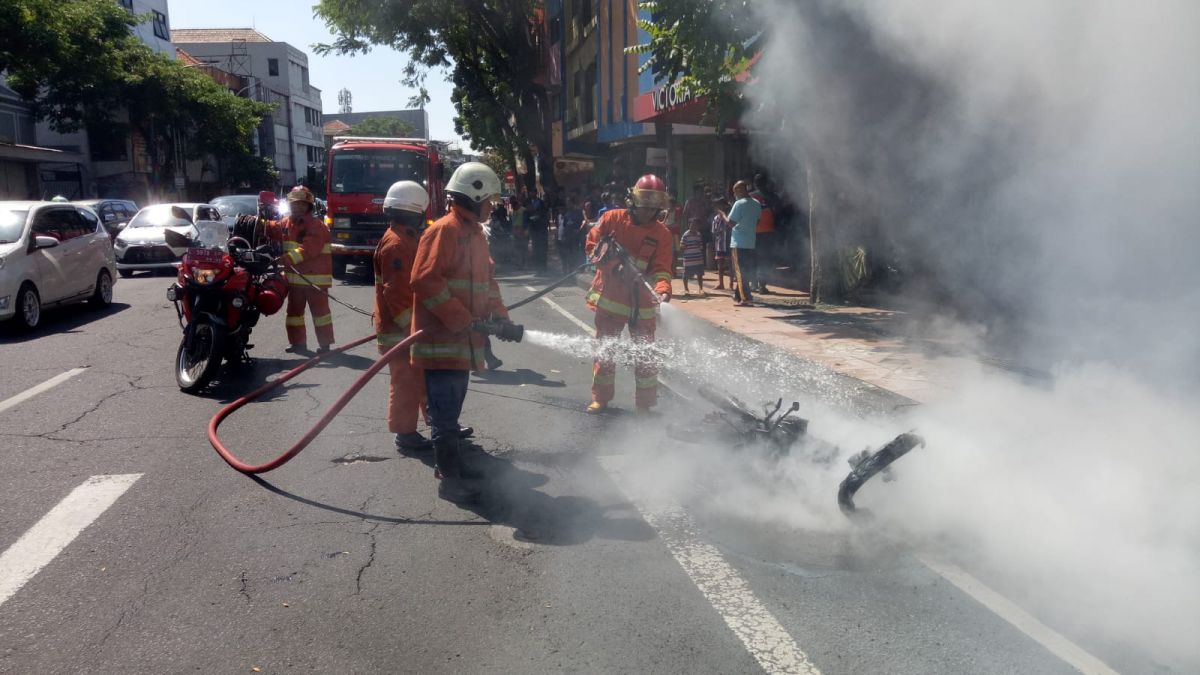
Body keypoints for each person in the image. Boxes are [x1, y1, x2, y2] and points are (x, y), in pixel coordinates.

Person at [410, 162, 513, 504]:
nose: (493, 207)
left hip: (460, 343)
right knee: (443, 415)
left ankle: (455, 468)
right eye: (490, 200)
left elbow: (488, 284)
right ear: (474, 195)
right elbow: (424, 280)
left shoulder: (475, 236)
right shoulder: (444, 231)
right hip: (440, 342)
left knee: (451, 413)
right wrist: (461, 318)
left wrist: (502, 319)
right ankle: (449, 479)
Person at [584, 174, 674, 415]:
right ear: (632, 201)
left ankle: (644, 405)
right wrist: (615, 266)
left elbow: (662, 268)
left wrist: (663, 289)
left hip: (642, 305)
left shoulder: (662, 234)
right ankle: (600, 399)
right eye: (644, 207)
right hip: (610, 301)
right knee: (606, 353)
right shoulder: (611, 219)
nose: (647, 213)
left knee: (646, 358)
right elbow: (592, 247)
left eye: (652, 209)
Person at [374, 181, 432, 454]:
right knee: (405, 381)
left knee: (420, 376)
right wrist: (413, 328)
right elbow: (396, 293)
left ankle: (438, 423)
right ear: (415, 211)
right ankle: (405, 435)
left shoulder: (405, 236)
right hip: (399, 330)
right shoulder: (397, 244)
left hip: (406, 327)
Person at [272, 186, 335, 353]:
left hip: (315, 282)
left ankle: (325, 346)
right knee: (294, 314)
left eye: (301, 204)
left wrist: (285, 259)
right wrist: (256, 224)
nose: (297, 207)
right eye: (294, 203)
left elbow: (308, 249)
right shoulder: (287, 223)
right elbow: (273, 228)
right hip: (295, 281)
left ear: (308, 206)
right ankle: (298, 343)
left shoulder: (317, 226)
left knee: (321, 315)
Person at [727, 180, 762, 306]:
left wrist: (722, 215)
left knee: (739, 272)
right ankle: (739, 294)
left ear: (740, 190)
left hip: (738, 243)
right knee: (746, 270)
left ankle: (745, 298)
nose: (734, 194)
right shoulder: (757, 203)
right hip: (751, 242)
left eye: (735, 191)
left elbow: (731, 223)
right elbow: (757, 222)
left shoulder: (739, 204)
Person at [750, 173, 778, 293]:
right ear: (766, 183)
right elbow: (779, 213)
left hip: (753, 232)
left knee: (753, 258)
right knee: (765, 259)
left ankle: (754, 284)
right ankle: (762, 286)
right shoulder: (773, 196)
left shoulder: (750, 196)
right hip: (768, 232)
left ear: (755, 183)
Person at [558, 196, 586, 273]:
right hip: (567, 237)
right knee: (567, 253)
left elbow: (584, 222)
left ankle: (576, 269)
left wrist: (578, 229)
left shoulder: (579, 212)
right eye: (567, 203)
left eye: (569, 203)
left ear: (573, 203)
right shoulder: (567, 213)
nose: (568, 204)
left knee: (575, 253)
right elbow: (564, 225)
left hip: (576, 237)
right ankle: (569, 269)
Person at [680, 217, 706, 295]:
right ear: (689, 225)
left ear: (698, 226)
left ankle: (701, 289)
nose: (693, 226)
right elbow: (681, 245)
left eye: (695, 225)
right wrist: (684, 248)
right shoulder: (686, 235)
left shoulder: (698, 234)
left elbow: (700, 246)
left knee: (700, 274)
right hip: (688, 259)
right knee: (686, 275)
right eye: (692, 225)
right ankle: (686, 289)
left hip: (698, 258)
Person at [711, 197, 732, 290]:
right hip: (720, 244)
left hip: (729, 243)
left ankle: (731, 283)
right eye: (717, 206)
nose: (718, 208)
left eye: (720, 206)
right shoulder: (716, 218)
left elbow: (731, 227)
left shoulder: (729, 216)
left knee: (730, 264)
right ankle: (721, 283)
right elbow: (714, 231)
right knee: (720, 265)